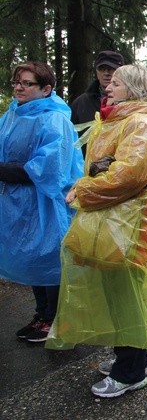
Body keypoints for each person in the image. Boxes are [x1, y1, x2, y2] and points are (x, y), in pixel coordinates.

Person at [46, 65, 147, 399]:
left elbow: (127, 175)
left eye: (116, 82)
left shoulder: (139, 123)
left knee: (127, 296)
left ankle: (130, 372)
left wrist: (84, 189)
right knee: (120, 294)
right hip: (118, 223)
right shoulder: (120, 119)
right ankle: (134, 360)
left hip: (129, 226)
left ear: (131, 88)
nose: (109, 86)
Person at [0, 62, 83, 342]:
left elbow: (50, 168)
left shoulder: (54, 118)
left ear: (46, 89)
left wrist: (4, 170)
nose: (19, 88)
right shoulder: (12, 114)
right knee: (32, 258)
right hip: (18, 202)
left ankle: (55, 319)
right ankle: (42, 315)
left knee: (50, 259)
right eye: (16, 82)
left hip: (47, 202)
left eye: (26, 83)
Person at [70, 51, 125, 155]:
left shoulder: (132, 104)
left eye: (111, 69)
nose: (106, 73)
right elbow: (70, 139)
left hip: (124, 167)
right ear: (96, 71)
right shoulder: (80, 103)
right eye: (102, 69)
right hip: (86, 167)